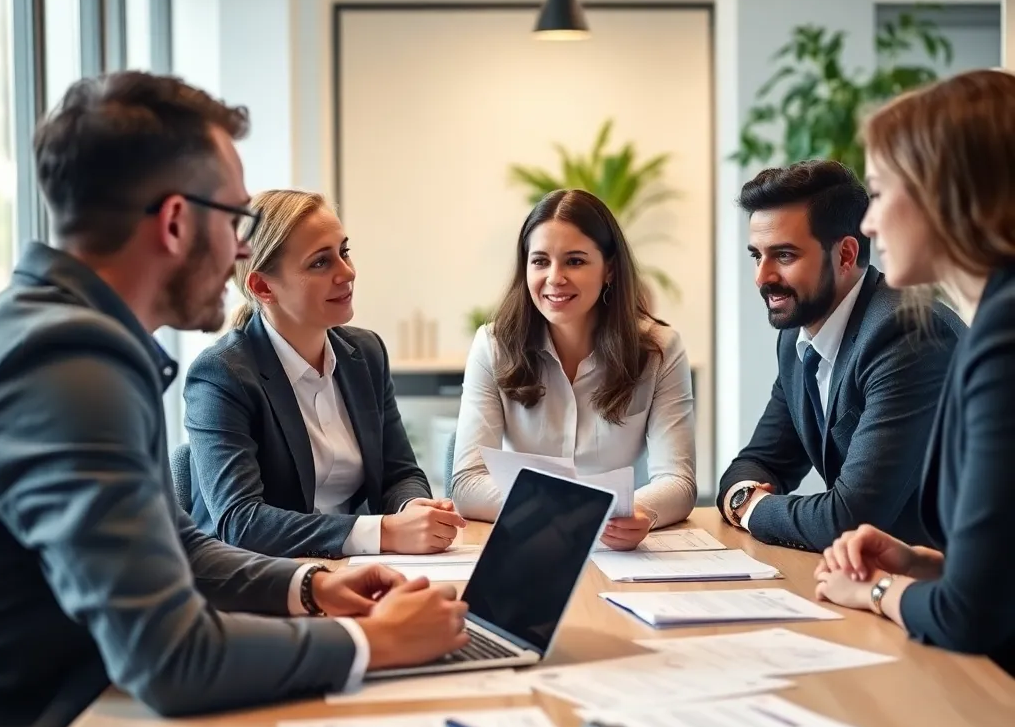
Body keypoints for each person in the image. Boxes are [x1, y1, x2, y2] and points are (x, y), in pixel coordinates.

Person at [0, 71, 466, 727]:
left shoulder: (75, 340)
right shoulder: (70, 369)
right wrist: (372, 647)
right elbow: (170, 660)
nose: (241, 248)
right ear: (178, 223)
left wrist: (312, 587)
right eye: (237, 219)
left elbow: (180, 541)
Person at [816, 69, 1015, 680]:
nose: (868, 223)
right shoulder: (992, 324)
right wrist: (921, 565)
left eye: (878, 193)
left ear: (944, 190)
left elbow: (971, 616)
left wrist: (874, 594)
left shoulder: (1005, 339)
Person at [183, 188, 464, 560]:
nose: (346, 272)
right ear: (263, 286)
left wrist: (410, 509)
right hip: (256, 579)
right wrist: (382, 532)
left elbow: (400, 473)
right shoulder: (222, 375)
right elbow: (241, 522)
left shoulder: (365, 354)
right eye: (320, 263)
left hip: (348, 567)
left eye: (344, 252)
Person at [717, 160, 963, 553]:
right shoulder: (798, 342)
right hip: (870, 583)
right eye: (756, 256)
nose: (762, 277)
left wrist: (749, 506)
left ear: (846, 255)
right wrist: (743, 496)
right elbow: (759, 463)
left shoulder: (908, 335)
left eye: (783, 255)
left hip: (953, 593)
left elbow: (848, 520)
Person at [451, 188, 696, 551]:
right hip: (528, 543)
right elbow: (467, 484)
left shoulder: (659, 349)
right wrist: (569, 510)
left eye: (575, 261)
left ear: (609, 269)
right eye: (540, 261)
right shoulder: (494, 345)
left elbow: (679, 481)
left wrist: (642, 511)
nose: (554, 278)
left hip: (616, 547)